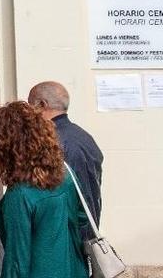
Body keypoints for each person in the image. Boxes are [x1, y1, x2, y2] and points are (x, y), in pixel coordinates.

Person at [0, 101, 88, 278]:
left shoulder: (20, 194)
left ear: (5, 149)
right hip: (74, 270)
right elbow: (82, 218)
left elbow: (17, 261)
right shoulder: (65, 173)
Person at [28, 80, 103, 233]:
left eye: (30, 106)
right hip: (87, 229)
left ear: (42, 105)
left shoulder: (49, 142)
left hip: (65, 234)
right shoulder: (84, 137)